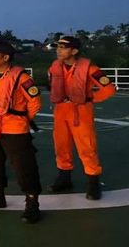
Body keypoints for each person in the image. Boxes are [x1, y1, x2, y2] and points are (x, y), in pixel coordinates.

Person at [0, 41, 42, 224]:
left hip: (14, 129)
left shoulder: (21, 77)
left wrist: (21, 119)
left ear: (5, 57)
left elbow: (35, 102)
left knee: (24, 167)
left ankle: (32, 204)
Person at [47, 36, 116, 200]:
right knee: (61, 146)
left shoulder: (90, 68)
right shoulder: (55, 67)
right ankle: (64, 178)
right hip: (61, 111)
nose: (59, 50)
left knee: (87, 147)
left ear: (74, 51)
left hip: (81, 112)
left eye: (63, 47)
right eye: (58, 47)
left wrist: (90, 99)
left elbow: (109, 89)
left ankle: (93, 183)